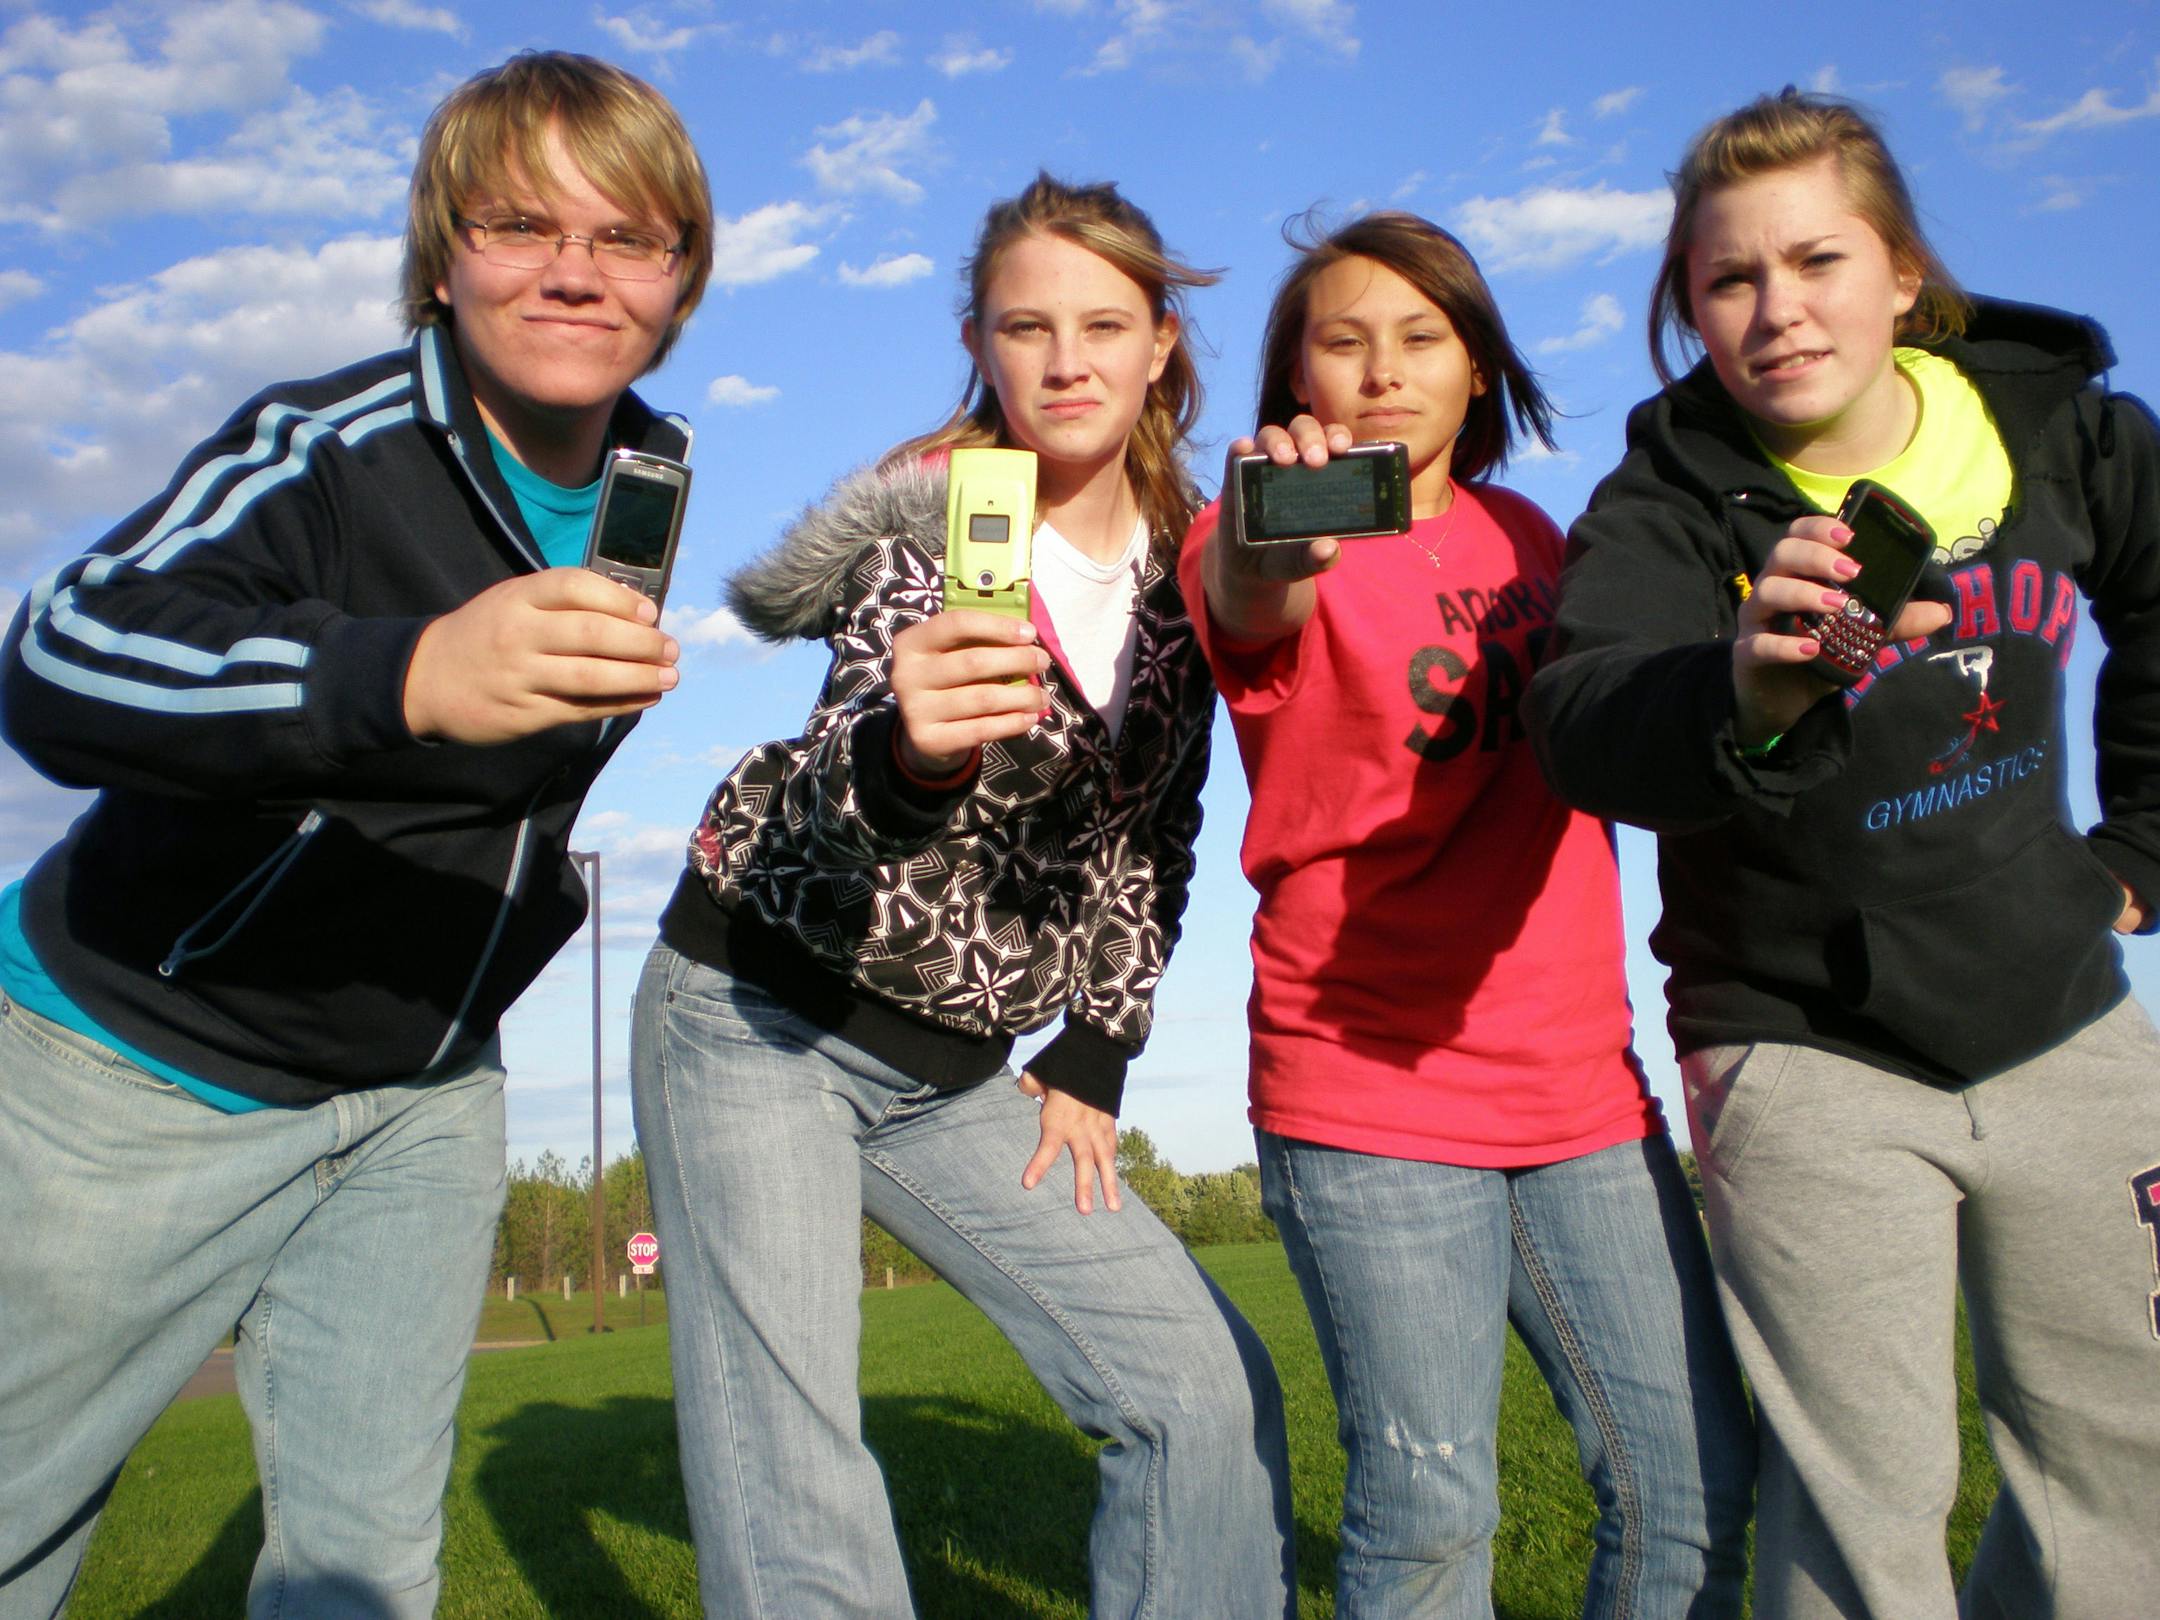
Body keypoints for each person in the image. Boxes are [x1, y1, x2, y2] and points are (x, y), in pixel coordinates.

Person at [0, 51, 709, 1619]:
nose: (575, 275)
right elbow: (59, 654)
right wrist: (403, 673)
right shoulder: (327, 441)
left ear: (682, 275)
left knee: (362, 1574)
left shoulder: (653, 468)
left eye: (628, 238)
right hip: (136, 1068)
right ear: (444, 252)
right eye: (522, 225)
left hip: (420, 1101)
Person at [1528, 89, 2160, 1619]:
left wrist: (2142, 841)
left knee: (2121, 1471)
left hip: (2063, 1019)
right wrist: (1738, 690)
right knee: (1863, 1507)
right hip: (1800, 1050)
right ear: (1688, 308)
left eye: (1817, 262)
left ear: (1902, 276)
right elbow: (1580, 713)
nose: (1776, 309)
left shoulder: (2063, 433)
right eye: (1728, 280)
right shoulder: (1671, 503)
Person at [630, 171, 1295, 1619]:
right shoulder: (926, 525)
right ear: (982, 346)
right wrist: (907, 757)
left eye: (1105, 324)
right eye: (1026, 326)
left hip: (953, 1077)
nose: (1068, 361)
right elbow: (831, 786)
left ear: (1162, 344)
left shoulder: (1196, 569)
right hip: (761, 1015)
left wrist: (1097, 1053)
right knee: (798, 1491)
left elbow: (1158, 835)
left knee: (1200, 1395)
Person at [1179, 210, 1753, 1618]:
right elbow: (1243, 601)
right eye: (1343, 341)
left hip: (1579, 1090)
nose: (1383, 371)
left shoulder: (1538, 539)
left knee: (1687, 1492)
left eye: (1421, 337)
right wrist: (1271, 555)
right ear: (1295, 378)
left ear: (1479, 366)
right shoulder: (1248, 523)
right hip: (1365, 1086)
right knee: (1432, 1515)